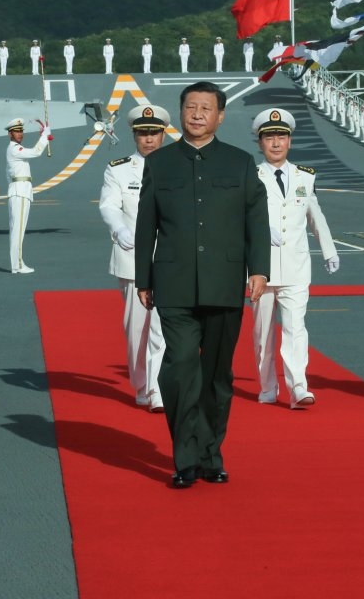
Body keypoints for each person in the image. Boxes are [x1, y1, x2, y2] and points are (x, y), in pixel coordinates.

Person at [134, 81, 269, 489]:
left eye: (205, 108)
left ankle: (211, 453)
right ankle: (185, 456)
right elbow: (146, 226)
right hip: (173, 285)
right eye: (190, 107)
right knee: (178, 371)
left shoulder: (241, 163)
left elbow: (255, 222)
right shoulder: (159, 164)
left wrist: (258, 270)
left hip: (225, 284)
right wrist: (144, 277)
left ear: (220, 116)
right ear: (180, 112)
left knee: (216, 376)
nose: (196, 114)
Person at [250, 108, 338, 409]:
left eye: (282, 137)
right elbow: (236, 217)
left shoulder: (305, 177)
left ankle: (298, 386)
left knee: (295, 328)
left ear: (289, 141)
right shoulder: (250, 176)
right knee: (263, 334)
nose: (276, 143)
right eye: (269, 137)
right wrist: (262, 229)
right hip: (260, 268)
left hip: (297, 266)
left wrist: (329, 250)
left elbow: (316, 217)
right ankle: (266, 386)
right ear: (260, 142)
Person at [99, 104, 170, 413]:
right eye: (143, 133)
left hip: (170, 258)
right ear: (134, 135)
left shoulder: (178, 166)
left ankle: (156, 388)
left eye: (154, 133)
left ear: (163, 134)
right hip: (131, 259)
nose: (149, 139)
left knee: (162, 325)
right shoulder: (118, 168)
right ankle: (141, 383)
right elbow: (109, 205)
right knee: (136, 327)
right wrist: (119, 230)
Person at [5, 117, 51, 274]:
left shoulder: (16, 149)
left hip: (19, 190)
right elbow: (36, 152)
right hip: (20, 191)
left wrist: (43, 136)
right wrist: (44, 137)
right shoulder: (15, 149)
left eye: (21, 131)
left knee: (17, 230)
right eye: (16, 131)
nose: (20, 134)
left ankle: (17, 263)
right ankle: (17, 265)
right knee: (18, 230)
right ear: (10, 134)